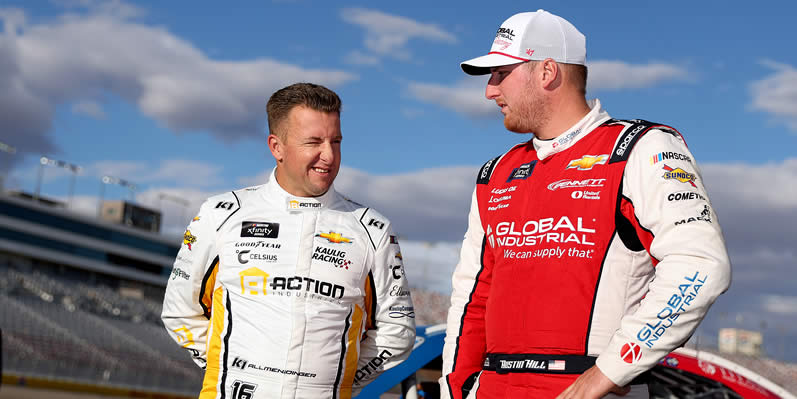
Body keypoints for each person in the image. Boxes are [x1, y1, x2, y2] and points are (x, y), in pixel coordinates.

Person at [440, 10, 731, 399]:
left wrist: (605, 375)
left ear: (547, 72)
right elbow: (470, 298)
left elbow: (700, 266)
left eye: (500, 75)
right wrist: (455, 392)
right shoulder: (497, 173)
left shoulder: (640, 149)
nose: (490, 91)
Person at [162, 83, 416, 398]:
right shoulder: (221, 214)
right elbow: (179, 312)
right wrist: (225, 368)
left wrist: (340, 382)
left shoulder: (372, 229)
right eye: (314, 141)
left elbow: (397, 333)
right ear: (276, 147)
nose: (329, 155)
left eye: (335, 141)